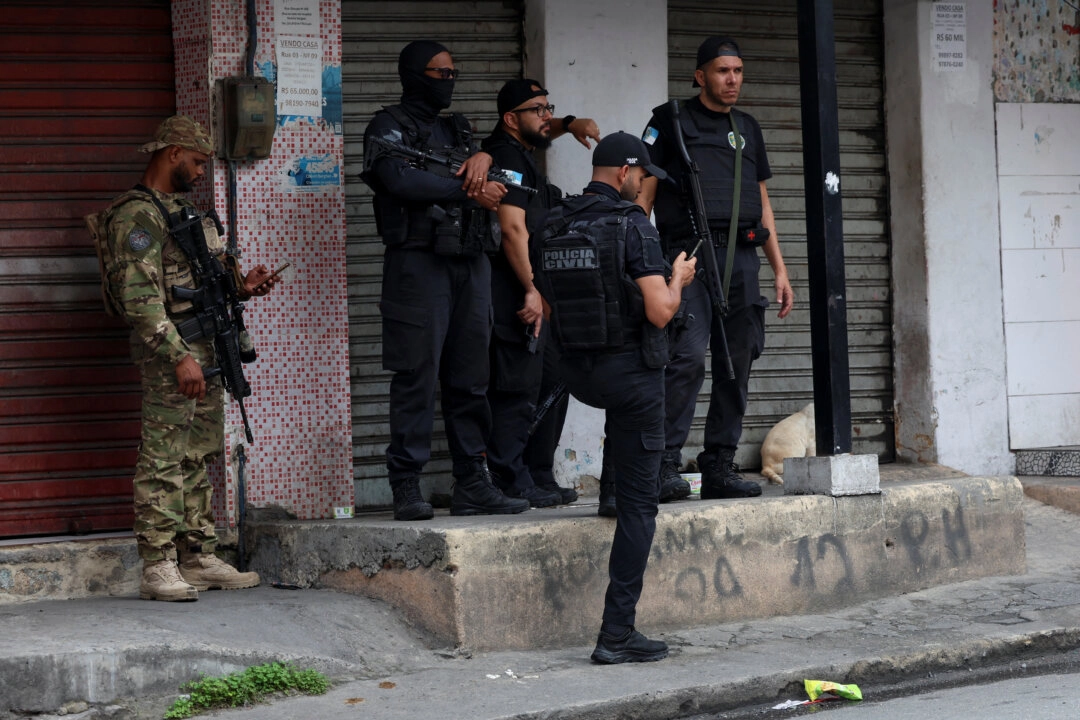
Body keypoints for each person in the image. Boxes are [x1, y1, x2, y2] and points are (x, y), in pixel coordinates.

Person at [533, 132, 696, 663]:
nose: (643, 186)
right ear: (625, 172)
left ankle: (609, 486)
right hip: (633, 378)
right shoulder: (633, 225)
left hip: (579, 374)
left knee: (624, 460)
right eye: (643, 176)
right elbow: (660, 312)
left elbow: (551, 306)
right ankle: (616, 634)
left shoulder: (552, 224)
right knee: (639, 508)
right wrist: (678, 278)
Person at [101, 115, 274, 601]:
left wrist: (242, 287)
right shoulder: (137, 217)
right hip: (171, 354)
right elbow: (139, 298)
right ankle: (158, 564)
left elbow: (201, 283)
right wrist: (179, 356)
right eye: (197, 162)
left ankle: (197, 556)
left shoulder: (185, 212)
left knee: (198, 454)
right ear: (173, 153)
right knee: (163, 456)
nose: (201, 172)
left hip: (207, 347)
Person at [361, 40, 530, 521]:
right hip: (418, 265)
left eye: (454, 72)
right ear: (414, 75)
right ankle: (406, 485)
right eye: (440, 73)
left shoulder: (458, 128)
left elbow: (490, 169)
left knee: (471, 378)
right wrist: (468, 188)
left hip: (469, 262)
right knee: (416, 376)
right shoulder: (387, 126)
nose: (449, 81)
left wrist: (483, 160)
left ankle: (473, 481)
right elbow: (400, 181)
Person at [638, 36, 794, 502]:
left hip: (742, 257)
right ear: (700, 75)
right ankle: (663, 464)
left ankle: (719, 466)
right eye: (723, 71)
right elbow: (645, 196)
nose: (732, 80)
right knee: (685, 360)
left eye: (738, 71)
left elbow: (762, 203)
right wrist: (643, 261)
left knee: (737, 362)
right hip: (687, 256)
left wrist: (780, 270)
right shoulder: (668, 122)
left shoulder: (747, 127)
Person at [482, 78, 600, 508]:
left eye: (550, 108)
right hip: (513, 290)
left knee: (551, 379)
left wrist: (569, 123)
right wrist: (531, 289)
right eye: (538, 109)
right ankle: (511, 478)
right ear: (511, 119)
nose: (547, 116)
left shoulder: (524, 151)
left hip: (537, 290)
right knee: (517, 386)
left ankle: (538, 473)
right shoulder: (505, 156)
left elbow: (544, 127)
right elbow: (511, 229)